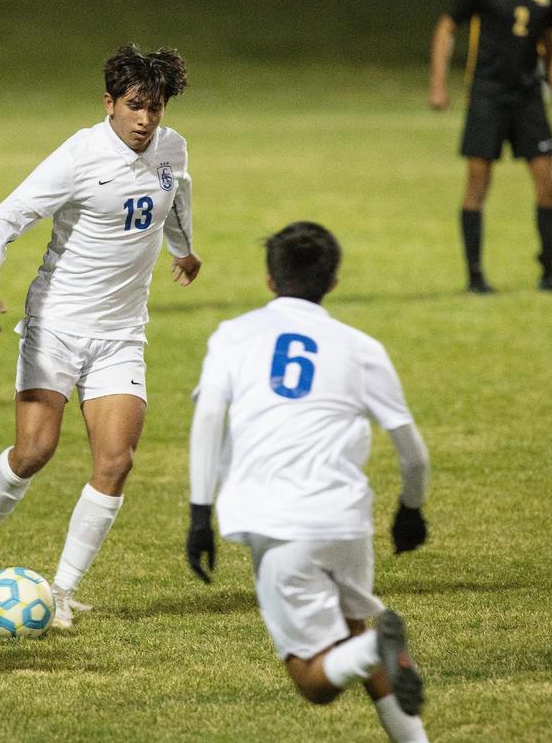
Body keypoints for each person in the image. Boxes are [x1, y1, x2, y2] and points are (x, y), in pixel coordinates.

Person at [0, 44, 202, 628]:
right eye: (135, 106)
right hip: (57, 326)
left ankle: (60, 592)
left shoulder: (172, 148)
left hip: (121, 334)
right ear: (109, 103)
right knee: (35, 451)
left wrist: (183, 250)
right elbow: (2, 220)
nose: (145, 120)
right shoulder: (79, 156)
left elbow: (177, 193)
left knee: (115, 461)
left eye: (155, 109)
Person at [185, 222, 430, 742]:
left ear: (270, 280)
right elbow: (412, 453)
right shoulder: (361, 347)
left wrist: (199, 516)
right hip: (346, 521)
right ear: (333, 281)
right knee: (353, 627)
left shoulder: (235, 334)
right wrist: (410, 510)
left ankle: (373, 650)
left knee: (315, 682)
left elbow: (207, 421)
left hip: (277, 524)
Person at [428, 0, 552, 294]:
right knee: (478, 183)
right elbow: (446, 28)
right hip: (488, 96)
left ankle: (550, 271)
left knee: (549, 181)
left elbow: (550, 46)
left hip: (529, 97)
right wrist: (439, 83)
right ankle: (475, 276)